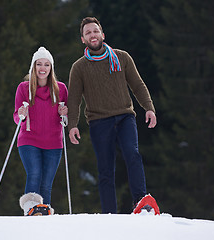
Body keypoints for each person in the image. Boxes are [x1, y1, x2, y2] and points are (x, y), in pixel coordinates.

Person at [67, 17, 158, 214]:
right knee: (105, 169)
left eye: (95, 31)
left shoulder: (122, 57)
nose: (93, 35)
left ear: (102, 34)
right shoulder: (79, 67)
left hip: (125, 116)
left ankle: (141, 203)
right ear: (83, 39)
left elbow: (137, 84)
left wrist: (148, 107)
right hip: (99, 121)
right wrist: (72, 124)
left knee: (132, 154)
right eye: (88, 33)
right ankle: (110, 214)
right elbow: (73, 99)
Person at [13, 46, 68, 212]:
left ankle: (43, 214)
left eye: (46, 65)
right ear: (33, 67)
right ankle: (31, 209)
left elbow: (65, 117)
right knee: (34, 174)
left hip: (53, 142)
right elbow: (17, 117)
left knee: (47, 184)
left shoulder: (61, 89)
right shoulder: (24, 88)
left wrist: (64, 113)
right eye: (39, 64)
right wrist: (21, 113)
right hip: (29, 140)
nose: (42, 68)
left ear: (51, 68)